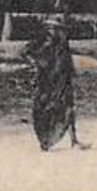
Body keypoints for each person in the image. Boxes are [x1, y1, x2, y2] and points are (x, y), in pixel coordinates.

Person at [25, 17, 81, 150]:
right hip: (46, 80)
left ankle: (74, 139)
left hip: (62, 78)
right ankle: (46, 140)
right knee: (45, 109)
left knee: (68, 106)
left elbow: (66, 58)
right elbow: (26, 52)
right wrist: (37, 63)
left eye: (58, 29)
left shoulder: (62, 41)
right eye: (53, 28)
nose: (56, 32)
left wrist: (71, 73)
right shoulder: (41, 41)